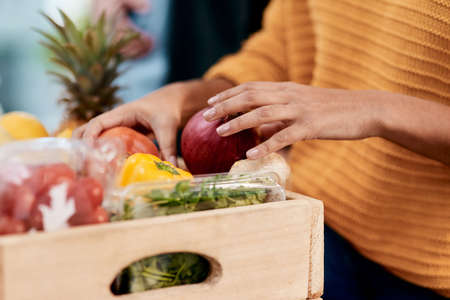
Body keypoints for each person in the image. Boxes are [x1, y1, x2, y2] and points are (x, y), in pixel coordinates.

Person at [75, 0, 450, 299]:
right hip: (316, 227)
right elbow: (280, 47)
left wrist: (378, 109)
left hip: (429, 275)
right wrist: (190, 96)